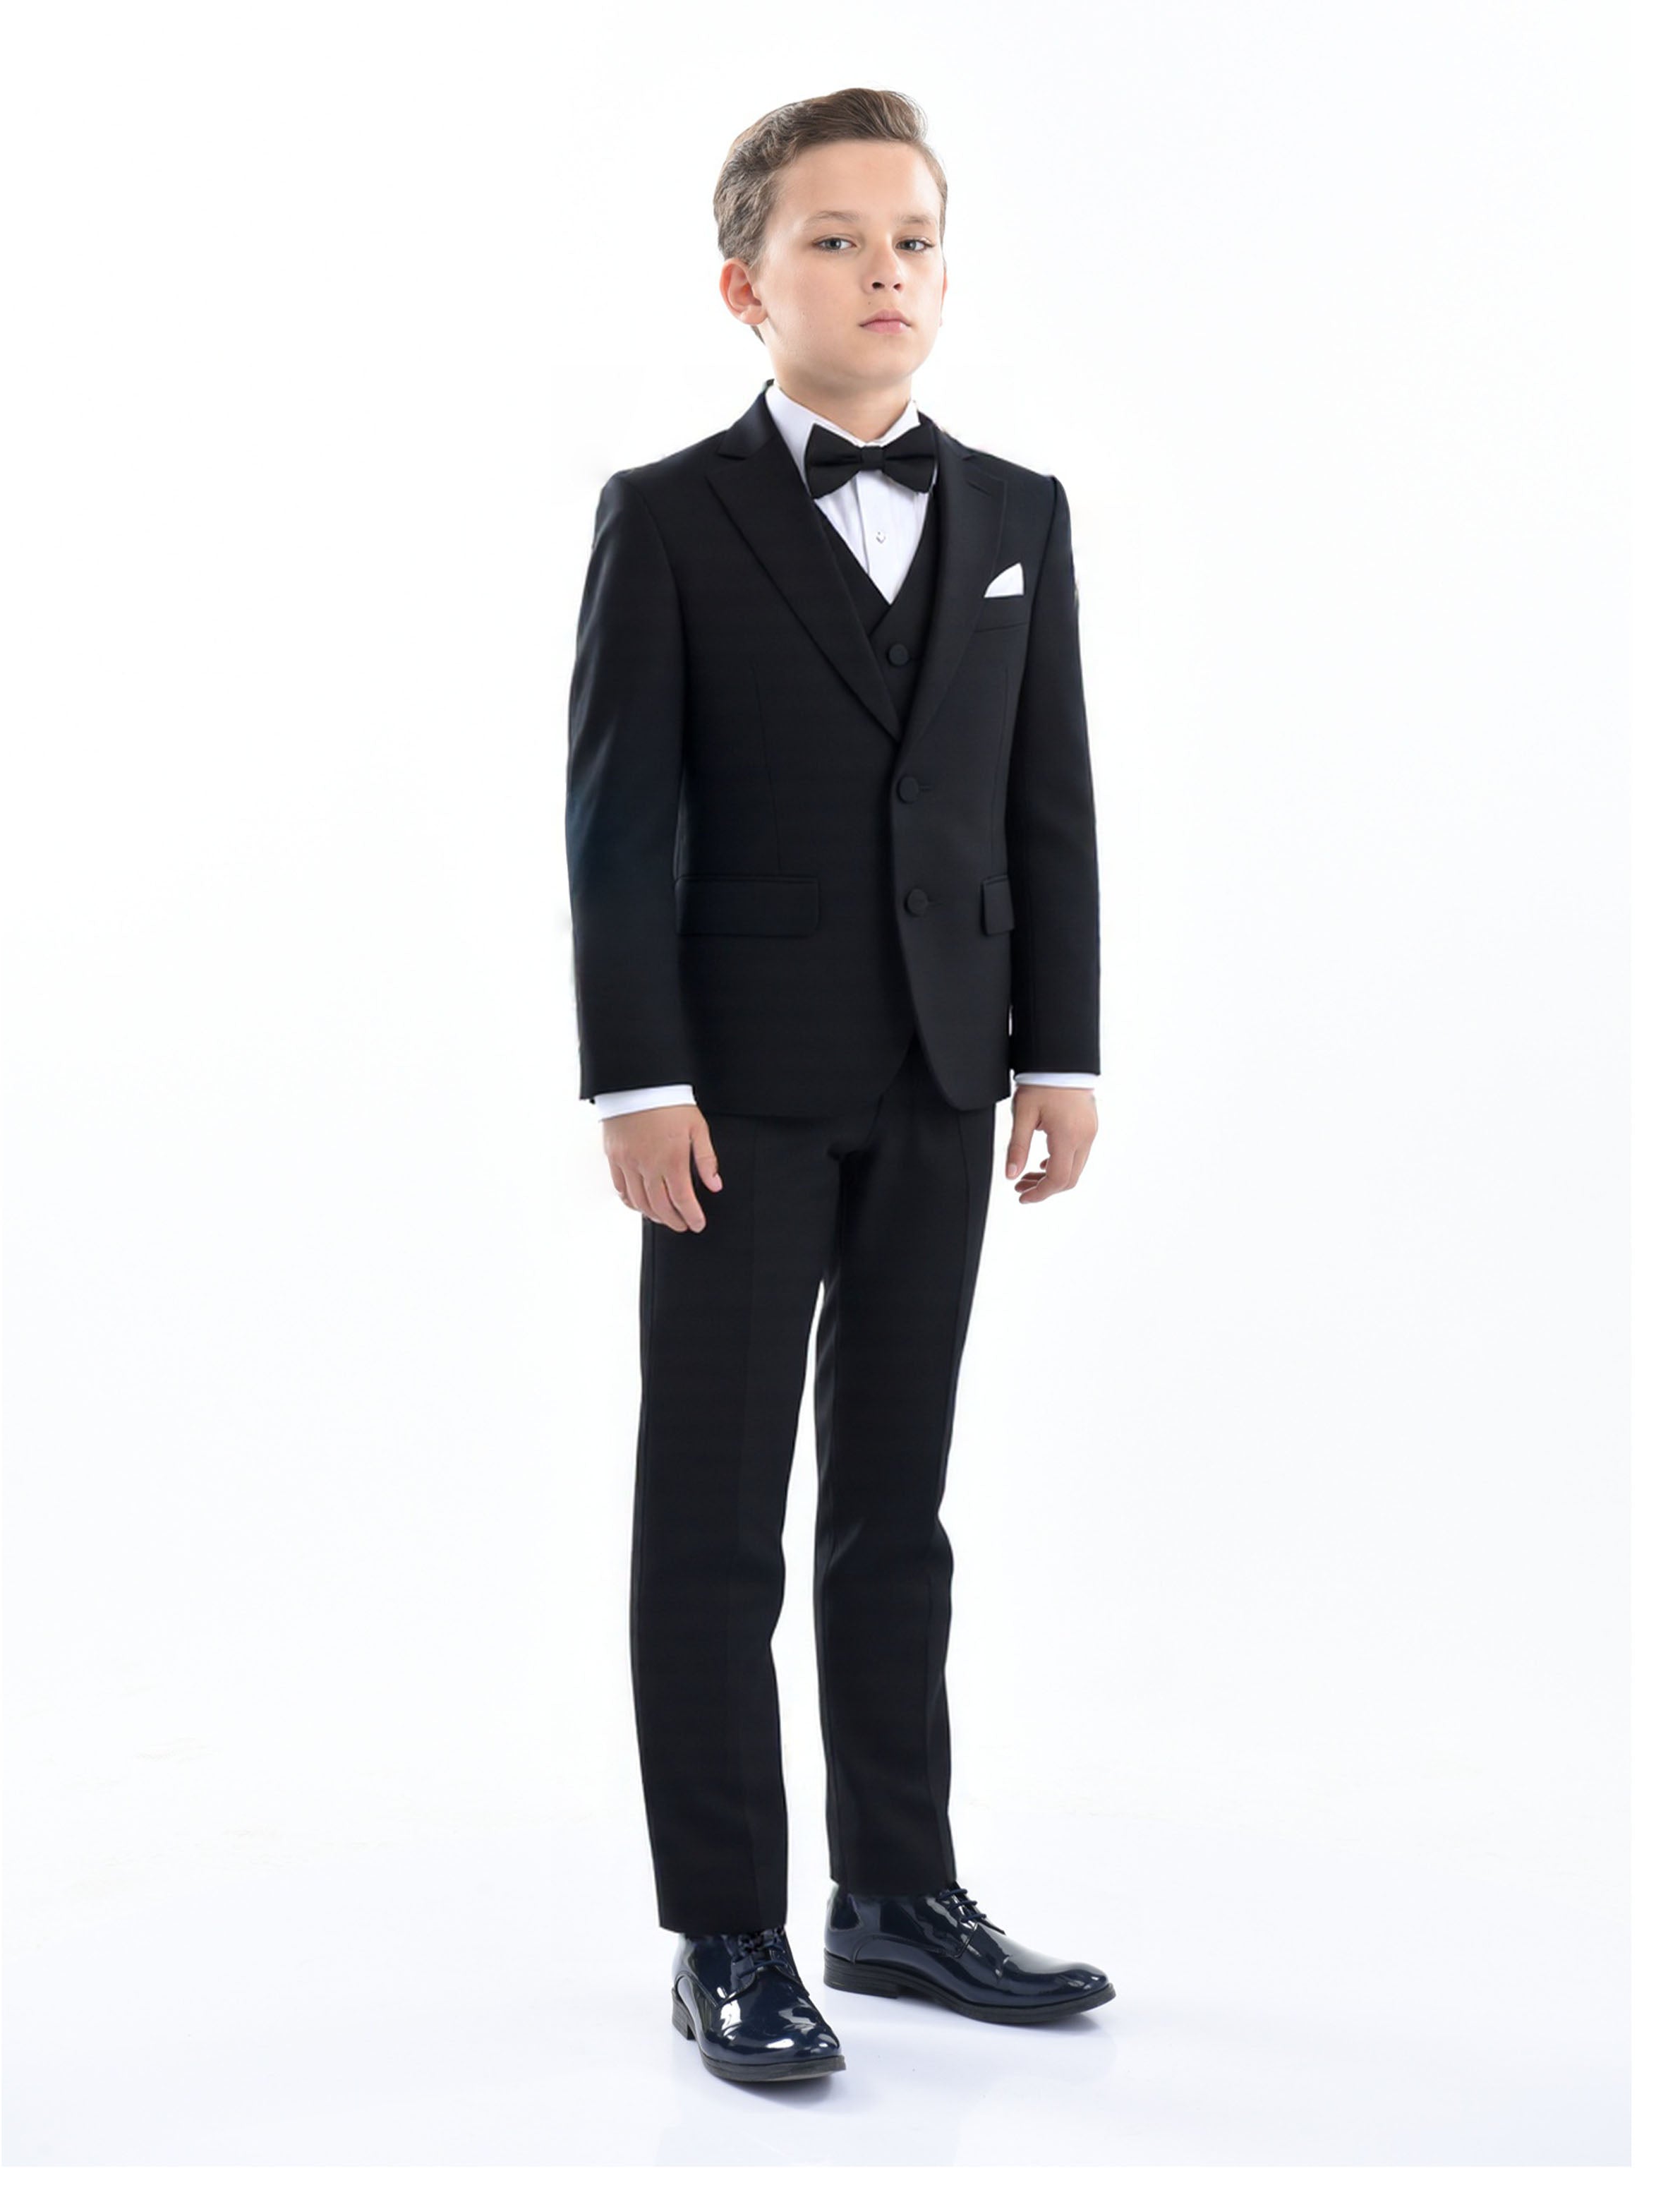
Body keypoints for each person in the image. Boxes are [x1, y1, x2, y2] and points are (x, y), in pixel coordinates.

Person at [564, 86, 1114, 2086]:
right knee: (714, 1518)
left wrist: (1059, 1049)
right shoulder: (668, 516)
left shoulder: (1020, 515)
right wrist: (637, 1076)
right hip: (733, 1095)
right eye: (837, 240)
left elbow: (1047, 801)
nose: (888, 271)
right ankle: (727, 1926)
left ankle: (894, 1894)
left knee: (895, 1506)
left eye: (915, 240)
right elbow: (616, 822)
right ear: (746, 286)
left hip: (948, 1080)